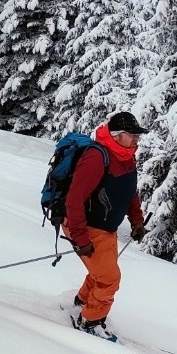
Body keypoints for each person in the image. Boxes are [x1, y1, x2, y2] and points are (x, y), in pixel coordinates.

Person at [65, 111, 149, 340]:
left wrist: (137, 220)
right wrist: (80, 237)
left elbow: (129, 192)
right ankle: (90, 321)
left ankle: (80, 304)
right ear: (117, 135)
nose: (136, 139)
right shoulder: (96, 157)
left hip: (104, 227)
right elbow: (74, 199)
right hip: (85, 226)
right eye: (132, 135)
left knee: (102, 272)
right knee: (109, 279)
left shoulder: (127, 157)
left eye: (137, 135)